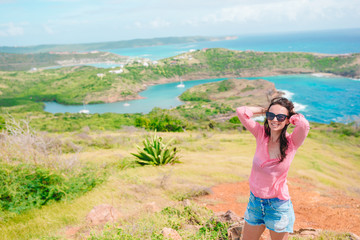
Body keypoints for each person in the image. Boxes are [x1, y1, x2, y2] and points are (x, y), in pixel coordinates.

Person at [236, 97, 310, 240]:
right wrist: (265, 110)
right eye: (271, 116)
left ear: (288, 119)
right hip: (255, 203)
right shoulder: (261, 133)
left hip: (278, 206)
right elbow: (241, 112)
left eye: (281, 117)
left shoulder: (292, 142)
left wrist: (292, 114)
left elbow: (304, 125)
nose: (274, 119)